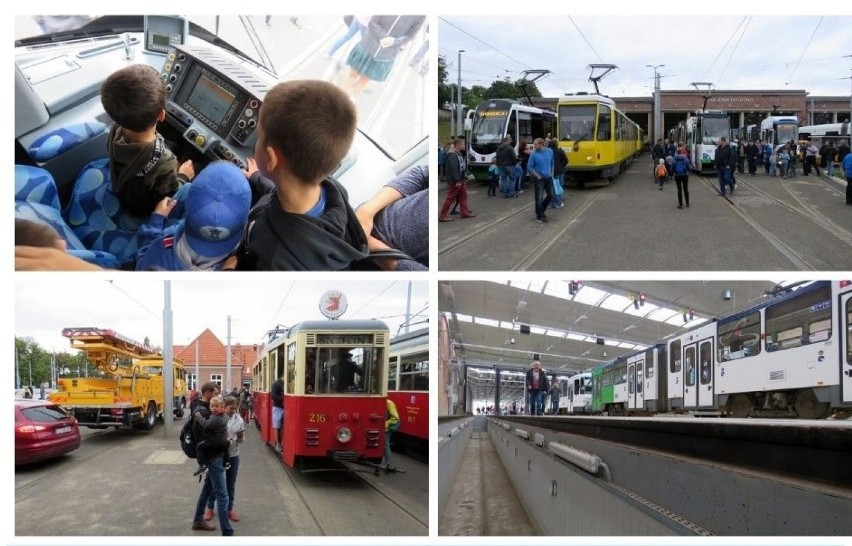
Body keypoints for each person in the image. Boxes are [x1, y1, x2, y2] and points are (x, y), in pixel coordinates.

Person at [234, 80, 369, 271]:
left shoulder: (276, 258)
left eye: (259, 136)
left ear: (271, 158)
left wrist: (229, 269)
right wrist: (257, 177)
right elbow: (285, 186)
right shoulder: (332, 190)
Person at [100, 64, 195, 217]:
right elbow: (169, 196)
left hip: (125, 184)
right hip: (143, 208)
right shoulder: (165, 160)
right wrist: (183, 177)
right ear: (162, 115)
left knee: (172, 142)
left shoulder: (115, 129)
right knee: (193, 164)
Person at [135, 162, 251, 271]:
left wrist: (157, 220)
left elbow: (141, 266)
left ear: (187, 208)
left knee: (186, 188)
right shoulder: (230, 265)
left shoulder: (163, 245)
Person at [354, 165, 428, 270]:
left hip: (369, 266)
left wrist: (368, 243)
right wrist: (365, 212)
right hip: (353, 222)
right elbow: (421, 174)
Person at [343, 16, 425, 95]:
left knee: (365, 79)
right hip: (369, 44)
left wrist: (394, 41)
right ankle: (340, 100)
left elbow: (410, 35)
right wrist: (384, 37)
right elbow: (373, 22)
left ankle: (351, 99)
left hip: (386, 54)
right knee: (352, 74)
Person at [191, 382, 233, 535]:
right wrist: (226, 442)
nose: (217, 395)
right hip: (214, 458)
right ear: (208, 393)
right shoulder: (205, 413)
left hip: (215, 456)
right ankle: (228, 533)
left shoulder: (204, 410)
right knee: (222, 495)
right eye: (215, 393)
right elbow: (207, 438)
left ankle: (197, 520)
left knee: (207, 490)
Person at [204, 396, 245, 524]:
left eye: (235, 408)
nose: (233, 410)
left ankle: (229, 509)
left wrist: (240, 437)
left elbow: (241, 441)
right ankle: (210, 508)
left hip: (233, 455)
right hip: (217, 456)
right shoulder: (217, 418)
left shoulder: (239, 420)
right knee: (212, 483)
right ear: (225, 407)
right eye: (231, 408)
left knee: (230, 484)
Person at [193, 395, 230, 478]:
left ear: (221, 407)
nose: (214, 408)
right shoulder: (224, 416)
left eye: (216, 406)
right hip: (224, 439)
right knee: (225, 447)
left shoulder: (215, 418)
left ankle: (202, 466)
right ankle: (227, 462)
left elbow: (206, 425)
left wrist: (199, 417)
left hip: (217, 440)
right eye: (212, 406)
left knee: (200, 446)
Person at [438, 137, 475, 222]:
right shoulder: (453, 155)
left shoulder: (457, 153)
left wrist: (463, 177)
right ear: (458, 145)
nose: (464, 146)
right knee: (451, 197)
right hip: (456, 180)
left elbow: (460, 167)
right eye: (463, 144)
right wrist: (457, 180)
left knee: (463, 195)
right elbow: (454, 169)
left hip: (460, 179)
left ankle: (464, 212)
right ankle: (443, 215)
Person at [528, 137, 554, 223]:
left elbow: (552, 162)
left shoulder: (549, 151)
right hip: (538, 178)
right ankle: (540, 215)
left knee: (550, 195)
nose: (534, 146)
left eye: (535, 144)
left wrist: (552, 172)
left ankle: (540, 210)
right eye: (534, 144)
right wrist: (536, 175)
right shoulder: (533, 154)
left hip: (548, 177)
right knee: (539, 197)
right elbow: (529, 166)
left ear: (541, 144)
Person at [383, 398, 400, 471]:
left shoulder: (389, 403)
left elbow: (395, 418)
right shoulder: (385, 403)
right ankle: (385, 462)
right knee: (384, 444)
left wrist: (386, 423)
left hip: (388, 428)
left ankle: (387, 464)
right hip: (384, 427)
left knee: (385, 444)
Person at [270, 374, 285, 454]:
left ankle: (281, 443)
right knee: (277, 426)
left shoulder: (285, 383)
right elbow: (273, 396)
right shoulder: (276, 384)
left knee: (282, 427)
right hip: (278, 407)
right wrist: (283, 398)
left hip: (284, 407)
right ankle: (278, 444)